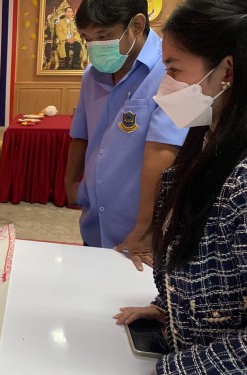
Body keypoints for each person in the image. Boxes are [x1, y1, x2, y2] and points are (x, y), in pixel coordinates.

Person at [115, 1, 247, 373]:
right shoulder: (205, 146)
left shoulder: (242, 182)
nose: (165, 84)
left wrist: (172, 369)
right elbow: (219, 275)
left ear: (227, 71)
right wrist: (170, 308)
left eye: (174, 69)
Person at [64, 0, 187, 271]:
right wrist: (71, 181)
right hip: (95, 222)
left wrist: (144, 229)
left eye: (104, 36)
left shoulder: (172, 72)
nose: (94, 47)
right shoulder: (91, 76)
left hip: (139, 233)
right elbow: (81, 132)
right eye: (87, 39)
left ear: (137, 25)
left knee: (131, 306)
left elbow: (165, 150)